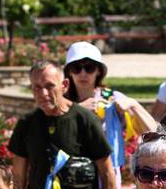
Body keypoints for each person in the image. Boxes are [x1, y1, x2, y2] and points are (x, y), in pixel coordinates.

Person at [8, 60, 118, 189]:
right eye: (37, 88)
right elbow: (18, 177)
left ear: (64, 86)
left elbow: (107, 172)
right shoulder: (27, 124)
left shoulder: (84, 120)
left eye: (49, 86)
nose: (43, 93)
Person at [62, 40, 157, 173]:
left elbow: (155, 134)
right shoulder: (61, 100)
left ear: (99, 71)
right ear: (69, 72)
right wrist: (78, 109)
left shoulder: (111, 98)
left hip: (107, 174)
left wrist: (134, 105)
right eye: (76, 68)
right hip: (70, 173)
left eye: (89, 67)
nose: (83, 73)